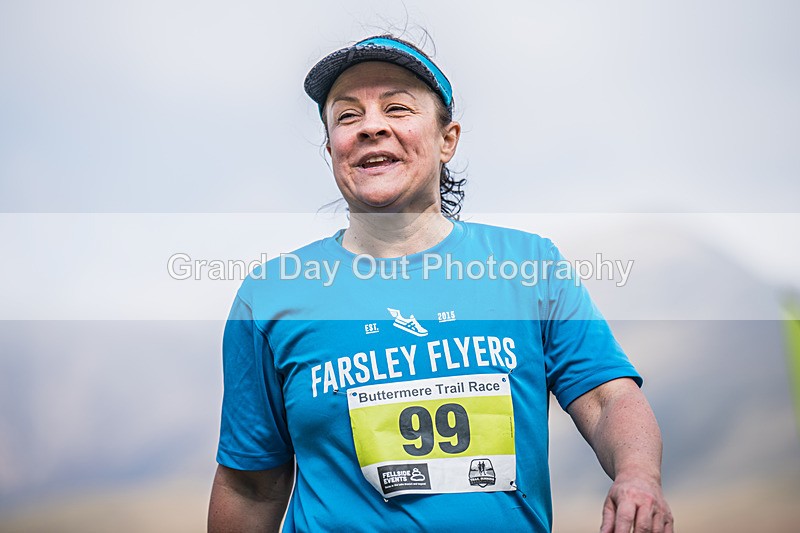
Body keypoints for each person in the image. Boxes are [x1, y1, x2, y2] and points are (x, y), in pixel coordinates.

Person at [208, 35, 674, 533]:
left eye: (398, 108)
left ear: (447, 139)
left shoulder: (528, 265)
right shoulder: (272, 296)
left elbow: (607, 399)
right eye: (347, 116)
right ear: (331, 151)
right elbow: (250, 485)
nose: (371, 126)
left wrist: (638, 476)